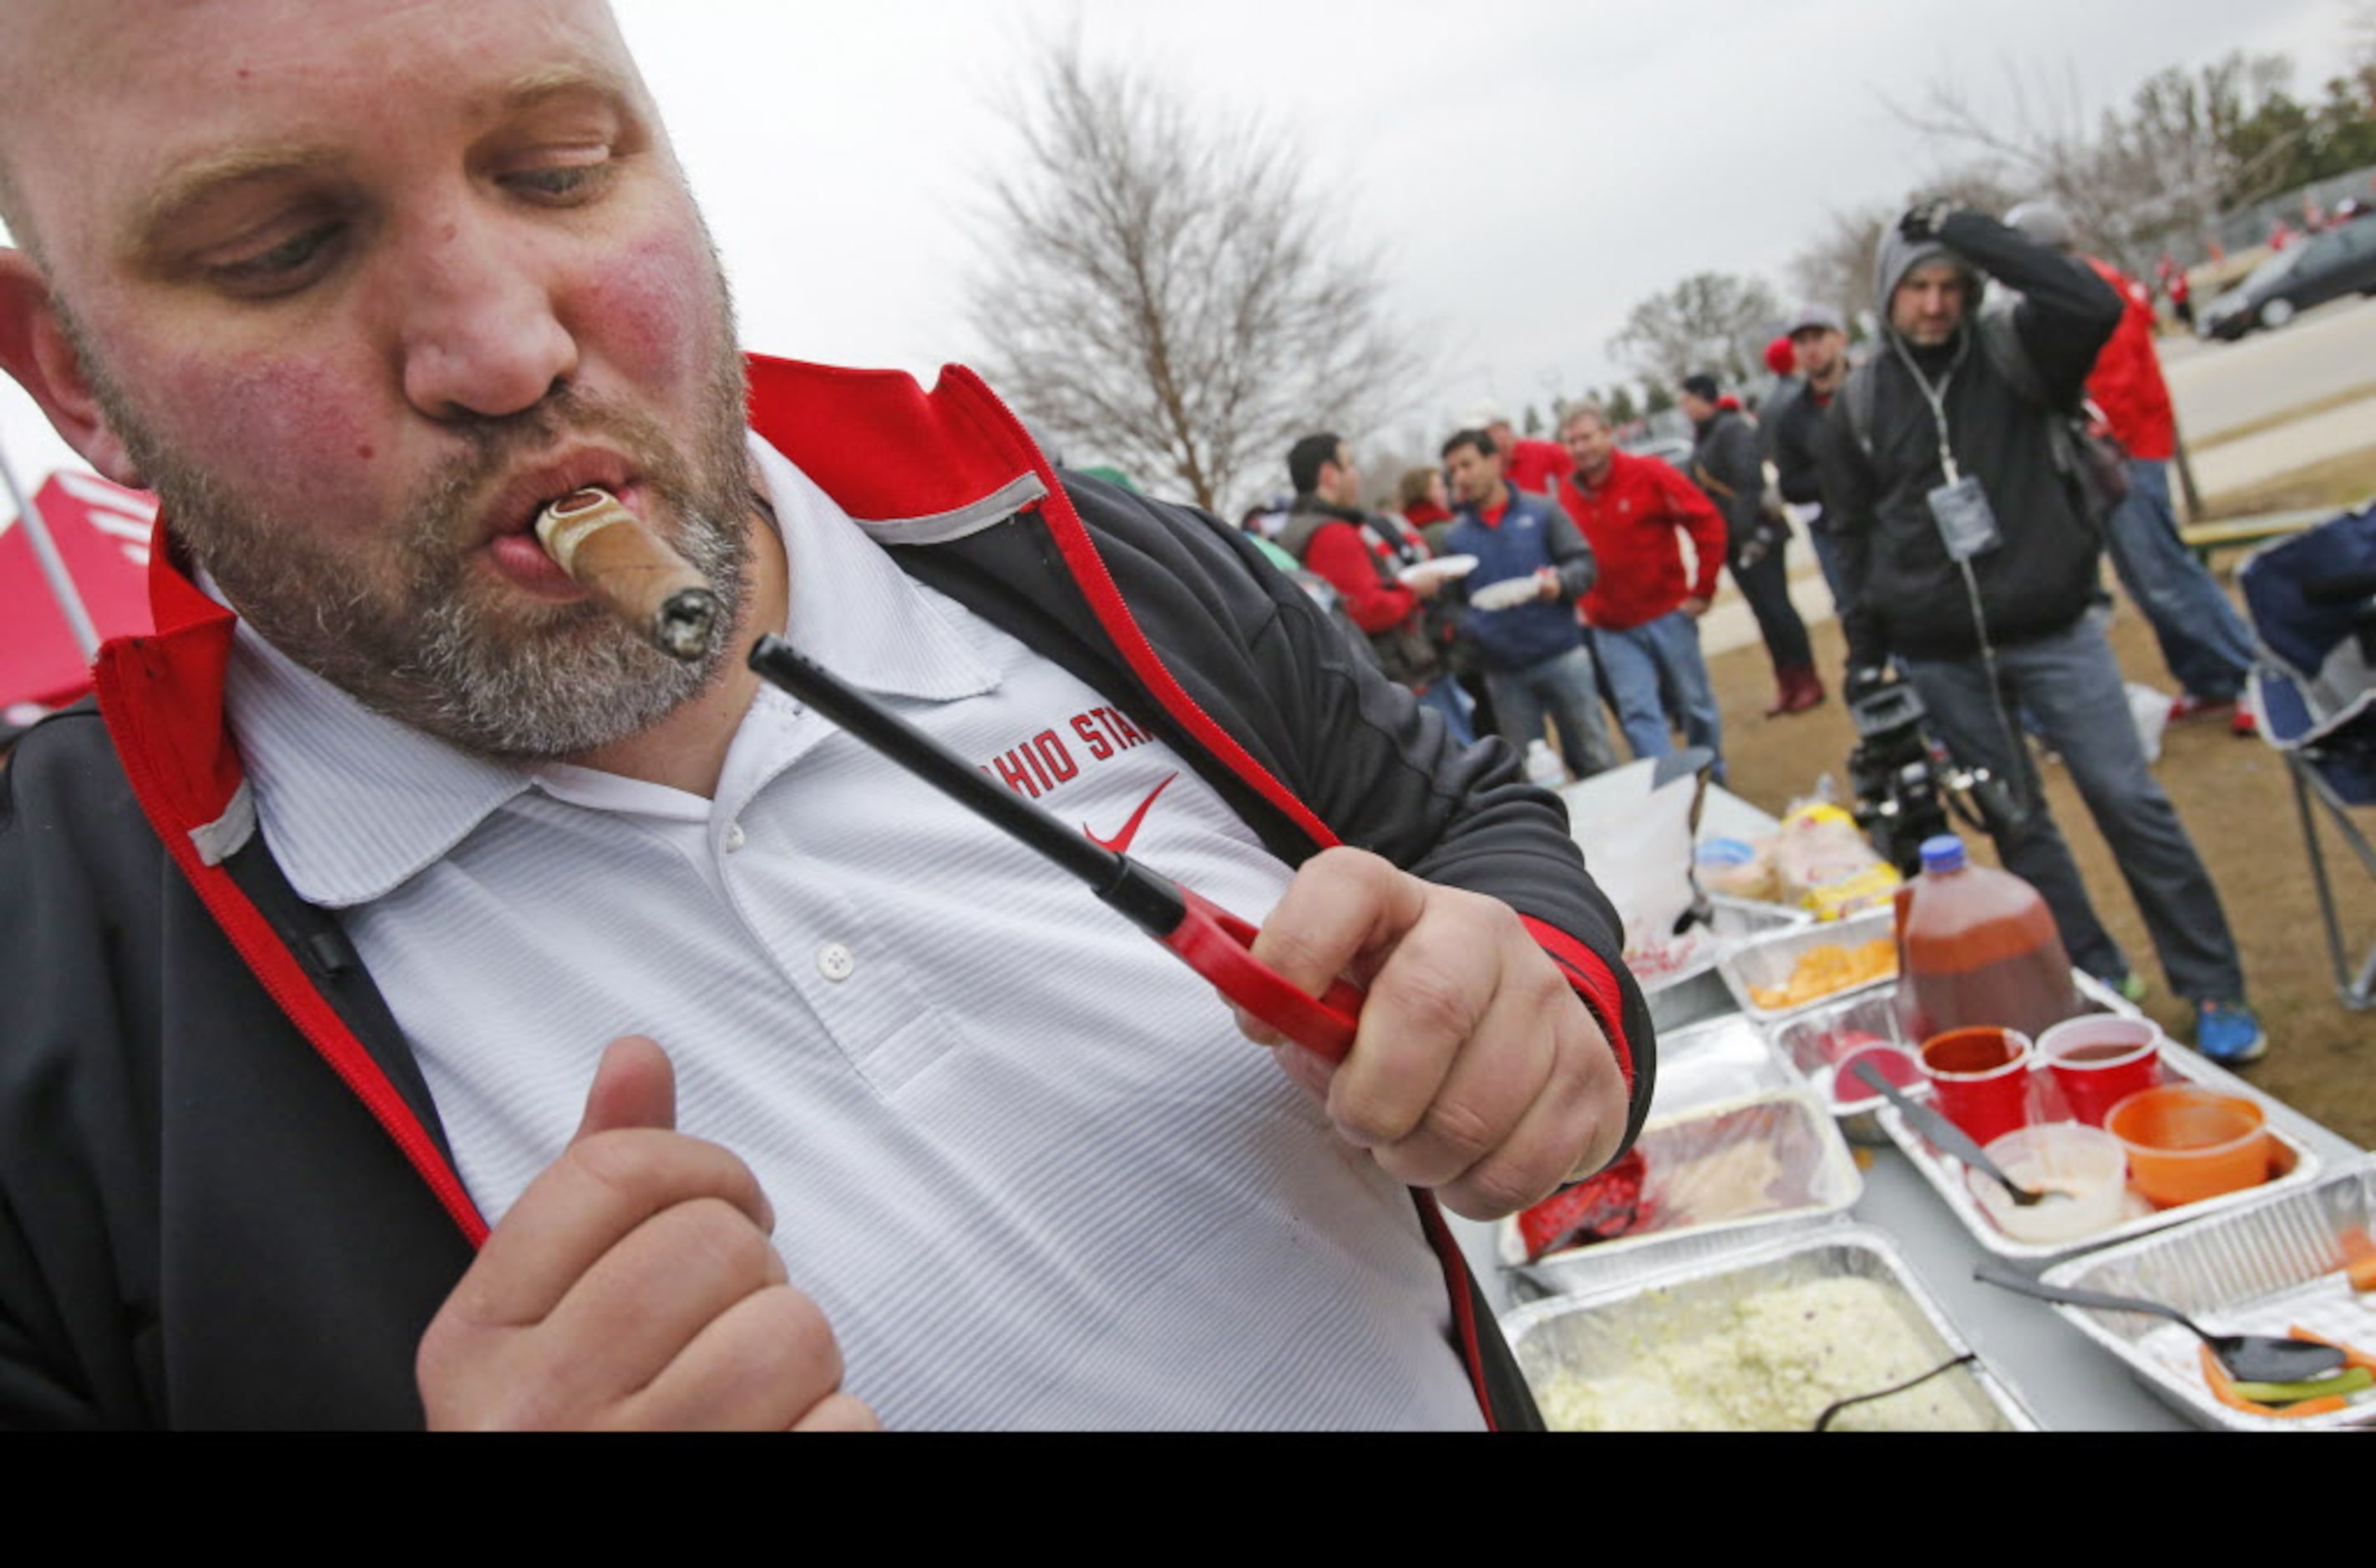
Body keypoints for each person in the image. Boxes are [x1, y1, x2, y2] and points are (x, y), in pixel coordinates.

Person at [0, 0, 1652, 1429]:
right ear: (76, 376)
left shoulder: (1057, 556)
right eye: (278, 250)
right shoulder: (47, 987)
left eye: (558, 168)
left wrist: (1540, 1010)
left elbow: (1469, 826)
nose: (505, 350)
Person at [1816, 200, 2262, 1064]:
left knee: (2129, 802)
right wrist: (1868, 657)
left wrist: (1965, 227)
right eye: (1917, 286)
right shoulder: (1862, 401)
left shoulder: (2019, 348)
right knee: (2019, 830)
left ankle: (2214, 986)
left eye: (1951, 285)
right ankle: (2094, 976)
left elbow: (2089, 304)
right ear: (1886, 293)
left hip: (2054, 631)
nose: (1936, 304)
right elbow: (1852, 536)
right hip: (1942, 655)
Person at [2006, 201, 2258, 736]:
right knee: (2145, 580)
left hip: (2130, 452)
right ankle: (2209, 681)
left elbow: (2111, 386)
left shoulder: (2090, 291)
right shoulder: (2067, 292)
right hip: (2112, 455)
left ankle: (2254, 676)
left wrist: (2083, 434)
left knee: (2164, 573)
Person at [1554, 403, 1728, 781]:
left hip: (1668, 614)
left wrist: (1703, 589)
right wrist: (1582, 602)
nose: (1580, 448)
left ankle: (1712, 778)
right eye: (1571, 441)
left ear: (1608, 434)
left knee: (1696, 706)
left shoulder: (1648, 474)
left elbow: (1706, 522)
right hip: (1611, 627)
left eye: (1587, 437)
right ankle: (1672, 788)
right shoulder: (1567, 495)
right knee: (1638, 713)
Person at [1440, 429, 1618, 782]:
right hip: (1504, 673)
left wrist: (1559, 584)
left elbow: (1584, 564)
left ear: (1494, 462)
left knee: (1595, 756)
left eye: (1467, 464)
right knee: (1528, 776)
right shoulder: (1455, 538)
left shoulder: (1542, 511)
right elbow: (1450, 608)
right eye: (1453, 470)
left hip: (1562, 655)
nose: (1460, 476)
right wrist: (1477, 628)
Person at [1277, 433, 1473, 744]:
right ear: (1329, 475)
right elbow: (1366, 608)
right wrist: (1413, 590)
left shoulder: (1299, 530)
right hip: (1403, 677)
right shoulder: (1331, 533)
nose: (1356, 474)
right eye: (1350, 465)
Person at [1680, 373, 1823, 716]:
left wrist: (1749, 532)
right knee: (1762, 613)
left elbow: (1749, 482)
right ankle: (1786, 681)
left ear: (1703, 398)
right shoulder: (1704, 437)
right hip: (1730, 540)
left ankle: (1808, 680)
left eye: (1687, 400)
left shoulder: (1732, 429)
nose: (1684, 408)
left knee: (1778, 609)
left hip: (1759, 535)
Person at [1765, 305, 1860, 621]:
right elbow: (1790, 484)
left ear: (1839, 339)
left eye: (1818, 337)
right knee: (1857, 616)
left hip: (1898, 524)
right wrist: (1839, 476)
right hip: (1836, 534)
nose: (1810, 349)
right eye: (1801, 342)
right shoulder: (1792, 417)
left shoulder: (1877, 389)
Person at [1459, 402, 1573, 498]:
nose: (1480, 440)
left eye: (1485, 433)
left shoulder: (1548, 453)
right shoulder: (1484, 473)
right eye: (1475, 436)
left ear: (1506, 428)